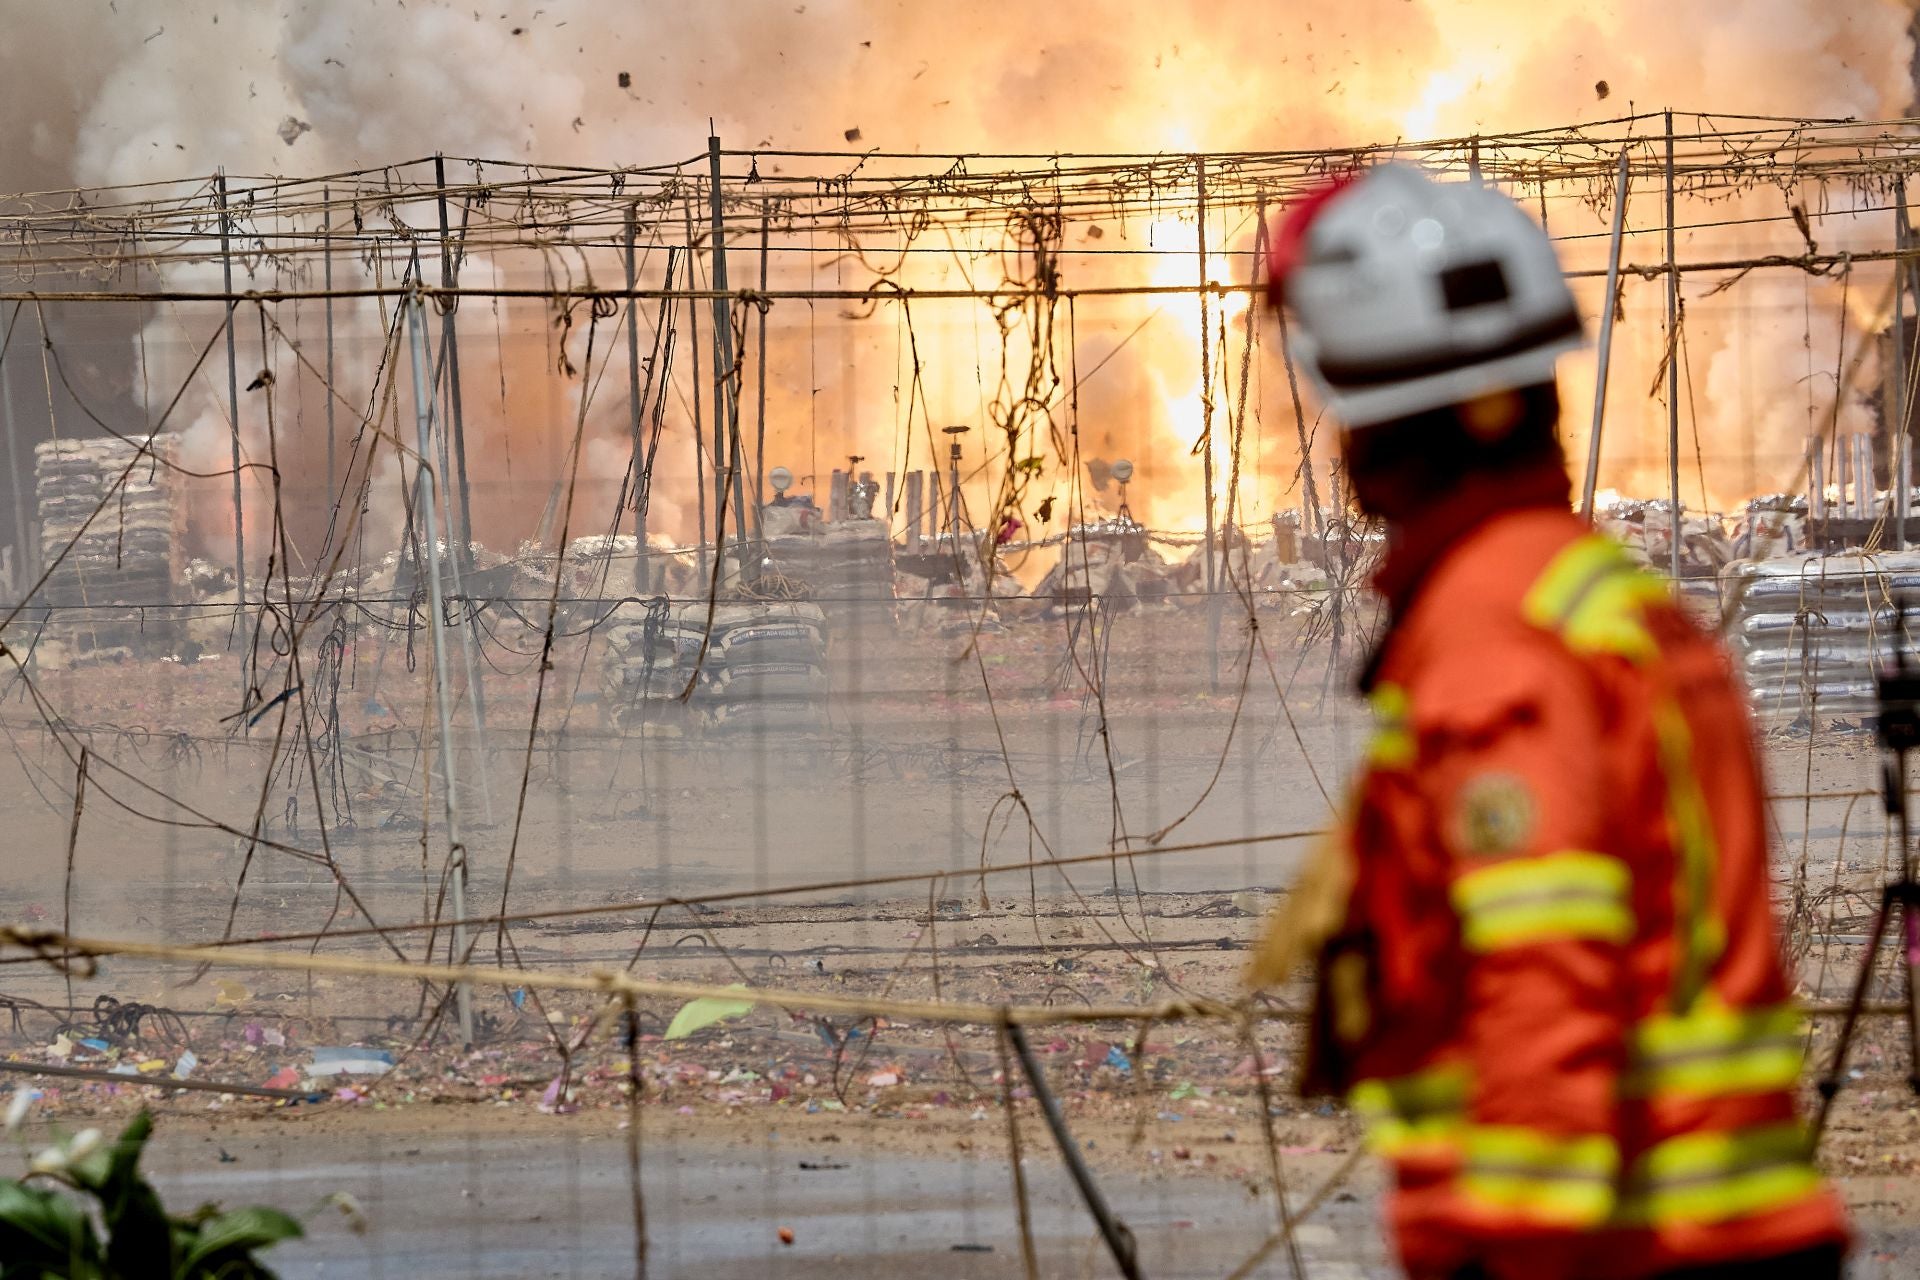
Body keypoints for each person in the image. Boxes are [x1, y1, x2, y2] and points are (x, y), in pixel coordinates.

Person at [1246, 165, 1848, 1280]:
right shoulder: (1594, 594)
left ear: (1383, 429)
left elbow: (1543, 960)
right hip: (1715, 1225)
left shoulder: (1494, 626)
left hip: (1609, 1246)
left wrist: (1515, 1238)